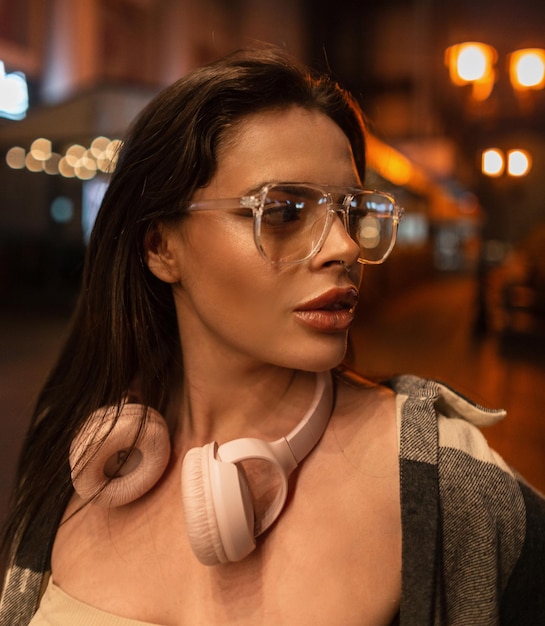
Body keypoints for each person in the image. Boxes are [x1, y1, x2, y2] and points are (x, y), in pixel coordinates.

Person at [0, 46, 544, 626]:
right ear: (160, 247)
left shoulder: (444, 477)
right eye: (283, 211)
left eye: (350, 211)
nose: (344, 248)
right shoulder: (82, 453)